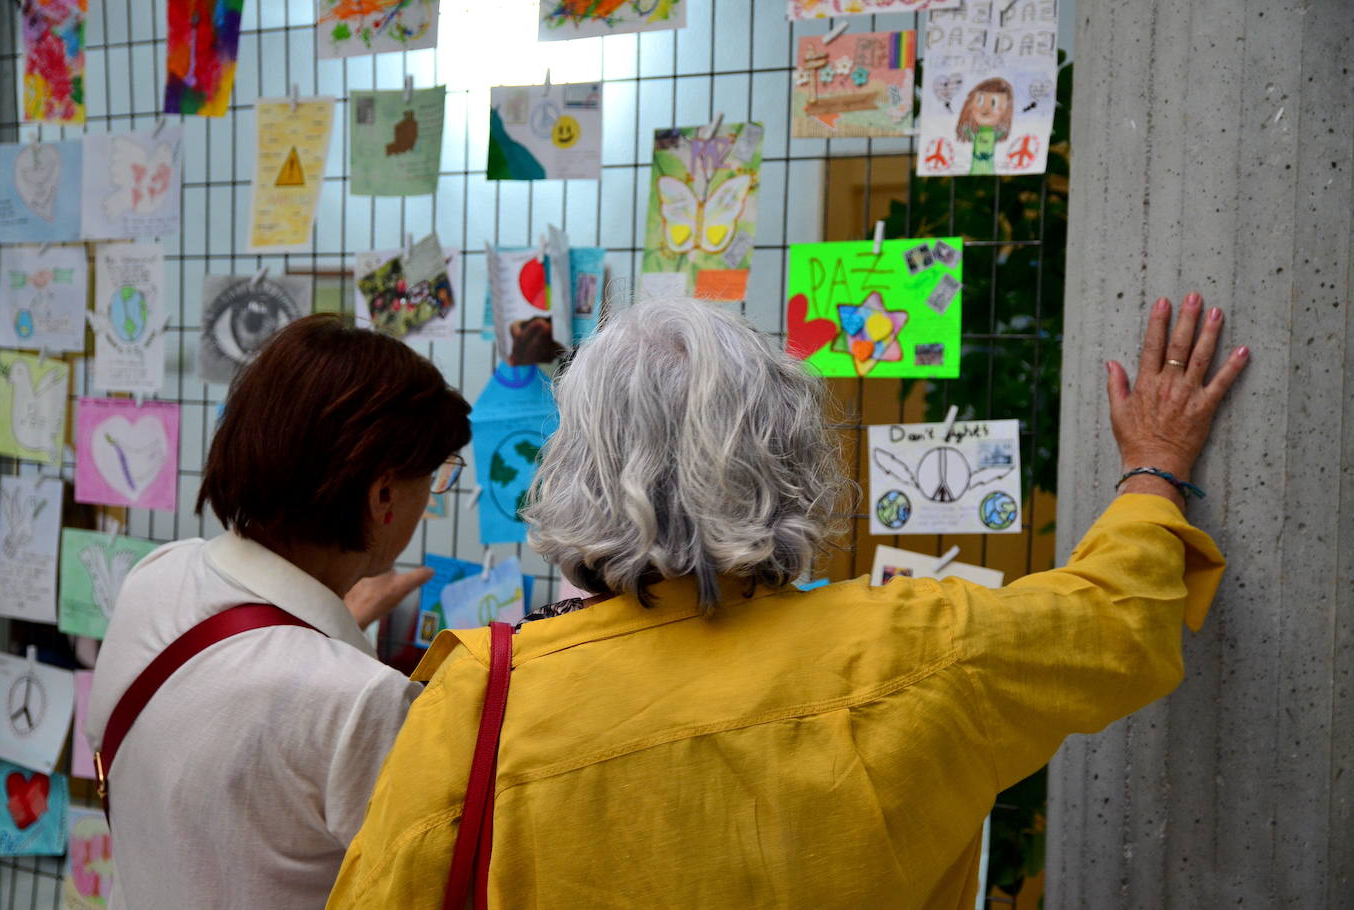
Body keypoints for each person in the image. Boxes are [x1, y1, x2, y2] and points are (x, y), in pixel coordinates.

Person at [328, 294, 1248, 909]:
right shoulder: (919, 645)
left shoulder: (480, 702)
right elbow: (1117, 618)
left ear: (570, 469)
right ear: (789, 455)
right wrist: (1154, 468)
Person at [86, 315, 471, 909]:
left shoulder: (158, 575)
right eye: (438, 475)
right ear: (384, 495)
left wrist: (340, 630)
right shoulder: (362, 704)